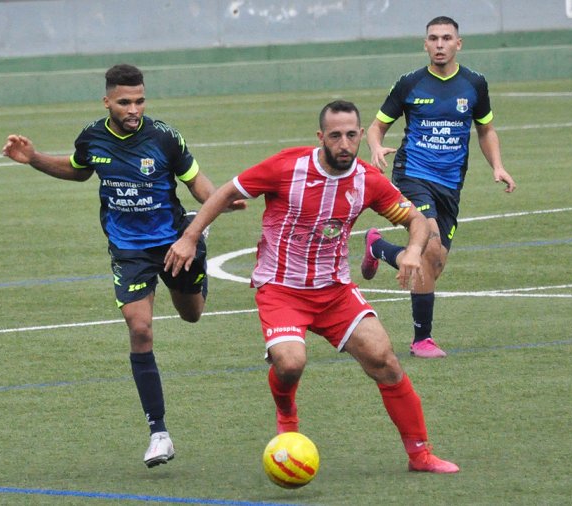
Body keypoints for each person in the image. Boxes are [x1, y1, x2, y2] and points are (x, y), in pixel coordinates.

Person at [165, 100, 459, 473]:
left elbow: (416, 220)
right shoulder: (287, 166)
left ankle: (421, 455)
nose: (345, 144)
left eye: (352, 135)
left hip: (335, 292)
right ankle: (287, 413)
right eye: (335, 135)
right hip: (282, 289)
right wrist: (190, 237)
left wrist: (413, 252)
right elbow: (225, 192)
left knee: (385, 361)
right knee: (290, 364)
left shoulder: (367, 180)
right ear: (321, 137)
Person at [1, 63, 243, 468]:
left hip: (174, 243)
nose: (134, 109)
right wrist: (34, 158)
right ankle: (159, 433)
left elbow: (198, 185)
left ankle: (197, 244)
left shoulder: (165, 138)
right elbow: (79, 172)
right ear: (108, 101)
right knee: (141, 328)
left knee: (192, 315)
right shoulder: (92, 137)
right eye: (125, 102)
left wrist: (219, 201)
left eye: (140, 100)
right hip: (128, 251)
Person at [363, 15, 517, 358]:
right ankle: (421, 340)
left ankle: (378, 247)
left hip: (450, 184)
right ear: (425, 44)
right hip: (412, 175)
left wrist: (498, 166)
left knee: (433, 265)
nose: (440, 45)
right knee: (429, 246)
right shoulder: (410, 84)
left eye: (447, 39)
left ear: (458, 44)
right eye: (433, 39)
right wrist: (375, 146)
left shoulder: (474, 84)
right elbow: (376, 126)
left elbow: (486, 130)